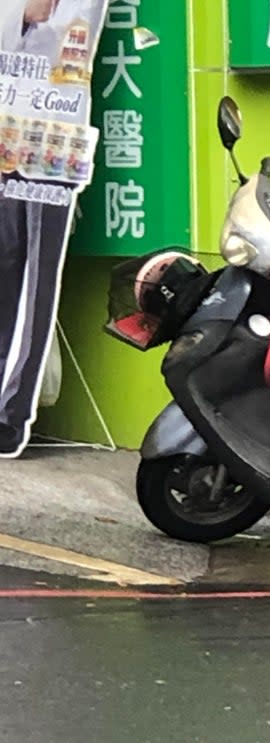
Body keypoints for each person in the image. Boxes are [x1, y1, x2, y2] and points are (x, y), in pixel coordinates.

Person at [0, 0, 104, 455]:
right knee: (4, 268)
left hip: (53, 139)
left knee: (36, 283)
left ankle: (10, 412)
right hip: (6, 130)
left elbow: (44, 15)